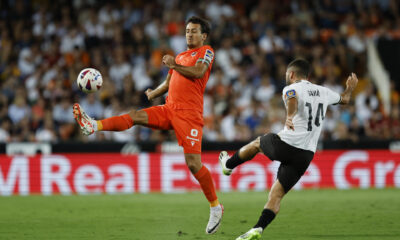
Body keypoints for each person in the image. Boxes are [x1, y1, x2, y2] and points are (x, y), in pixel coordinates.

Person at [73, 16, 223, 234]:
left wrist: (173, 64)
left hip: (189, 114)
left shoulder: (206, 51)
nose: (189, 34)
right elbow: (170, 82)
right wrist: (155, 92)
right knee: (135, 116)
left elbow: (198, 72)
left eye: (194, 31)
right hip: (169, 108)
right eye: (187, 30)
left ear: (204, 36)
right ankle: (93, 126)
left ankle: (215, 207)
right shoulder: (180, 56)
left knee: (193, 164)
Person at [219, 58, 358, 240]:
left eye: (287, 74)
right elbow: (345, 99)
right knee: (276, 195)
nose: (286, 76)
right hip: (306, 155)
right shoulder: (324, 91)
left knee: (257, 143)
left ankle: (228, 165)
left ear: (292, 74)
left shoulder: (291, 88)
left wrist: (290, 116)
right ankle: (258, 229)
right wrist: (350, 88)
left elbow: (292, 100)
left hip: (287, 144)